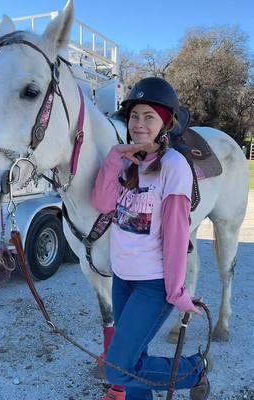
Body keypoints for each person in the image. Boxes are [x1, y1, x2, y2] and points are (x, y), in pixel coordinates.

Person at [91, 77, 210, 400]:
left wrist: (177, 290)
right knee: (133, 361)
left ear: (165, 123)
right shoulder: (127, 162)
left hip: (153, 284)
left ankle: (193, 370)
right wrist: (115, 158)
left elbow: (175, 234)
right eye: (134, 116)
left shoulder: (173, 167)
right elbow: (102, 205)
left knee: (117, 368)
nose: (139, 124)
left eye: (149, 117)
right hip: (122, 278)